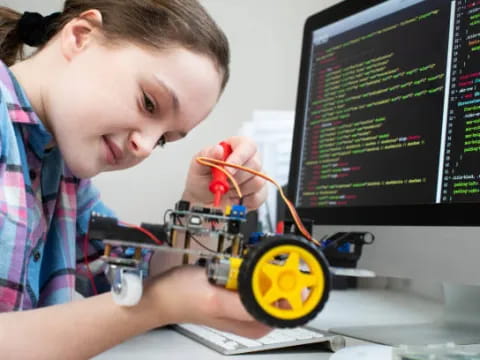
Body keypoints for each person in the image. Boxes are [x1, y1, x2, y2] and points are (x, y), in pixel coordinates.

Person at [0, 1, 270, 358]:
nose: (143, 147)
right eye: (148, 103)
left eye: (162, 139)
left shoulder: (61, 172)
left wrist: (201, 206)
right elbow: (152, 295)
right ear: (81, 37)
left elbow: (133, 277)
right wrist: (160, 303)